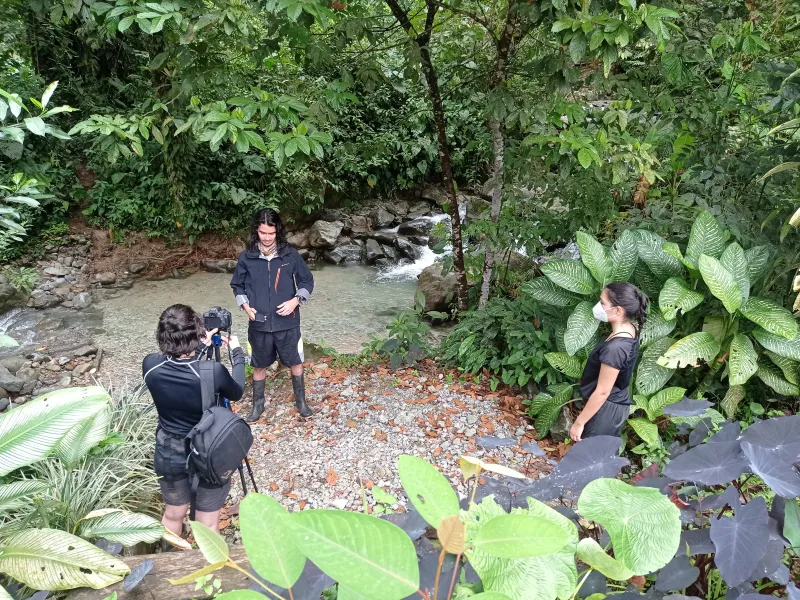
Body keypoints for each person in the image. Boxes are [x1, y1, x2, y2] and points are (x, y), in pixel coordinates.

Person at [142, 304, 245, 534]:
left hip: (169, 450)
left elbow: (179, 367)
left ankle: (171, 555)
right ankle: (207, 556)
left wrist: (197, 348)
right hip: (208, 451)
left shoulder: (150, 365)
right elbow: (237, 391)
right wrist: (238, 353)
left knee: (173, 514)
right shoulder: (212, 371)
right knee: (207, 523)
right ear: (197, 332)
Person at [230, 208, 315, 420]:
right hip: (258, 324)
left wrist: (296, 301)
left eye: (271, 233)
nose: (267, 238)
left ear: (278, 231)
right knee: (259, 365)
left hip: (288, 323)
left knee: (295, 362)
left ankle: (301, 402)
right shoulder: (247, 257)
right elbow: (237, 285)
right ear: (256, 231)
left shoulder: (290, 254)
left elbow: (307, 281)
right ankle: (257, 406)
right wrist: (245, 306)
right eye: (263, 233)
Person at [570, 282, 648, 442]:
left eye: (602, 302)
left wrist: (579, 423)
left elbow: (603, 392)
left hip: (606, 410)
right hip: (612, 404)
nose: (598, 306)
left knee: (589, 456)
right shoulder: (629, 328)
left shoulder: (616, 348)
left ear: (618, 310)